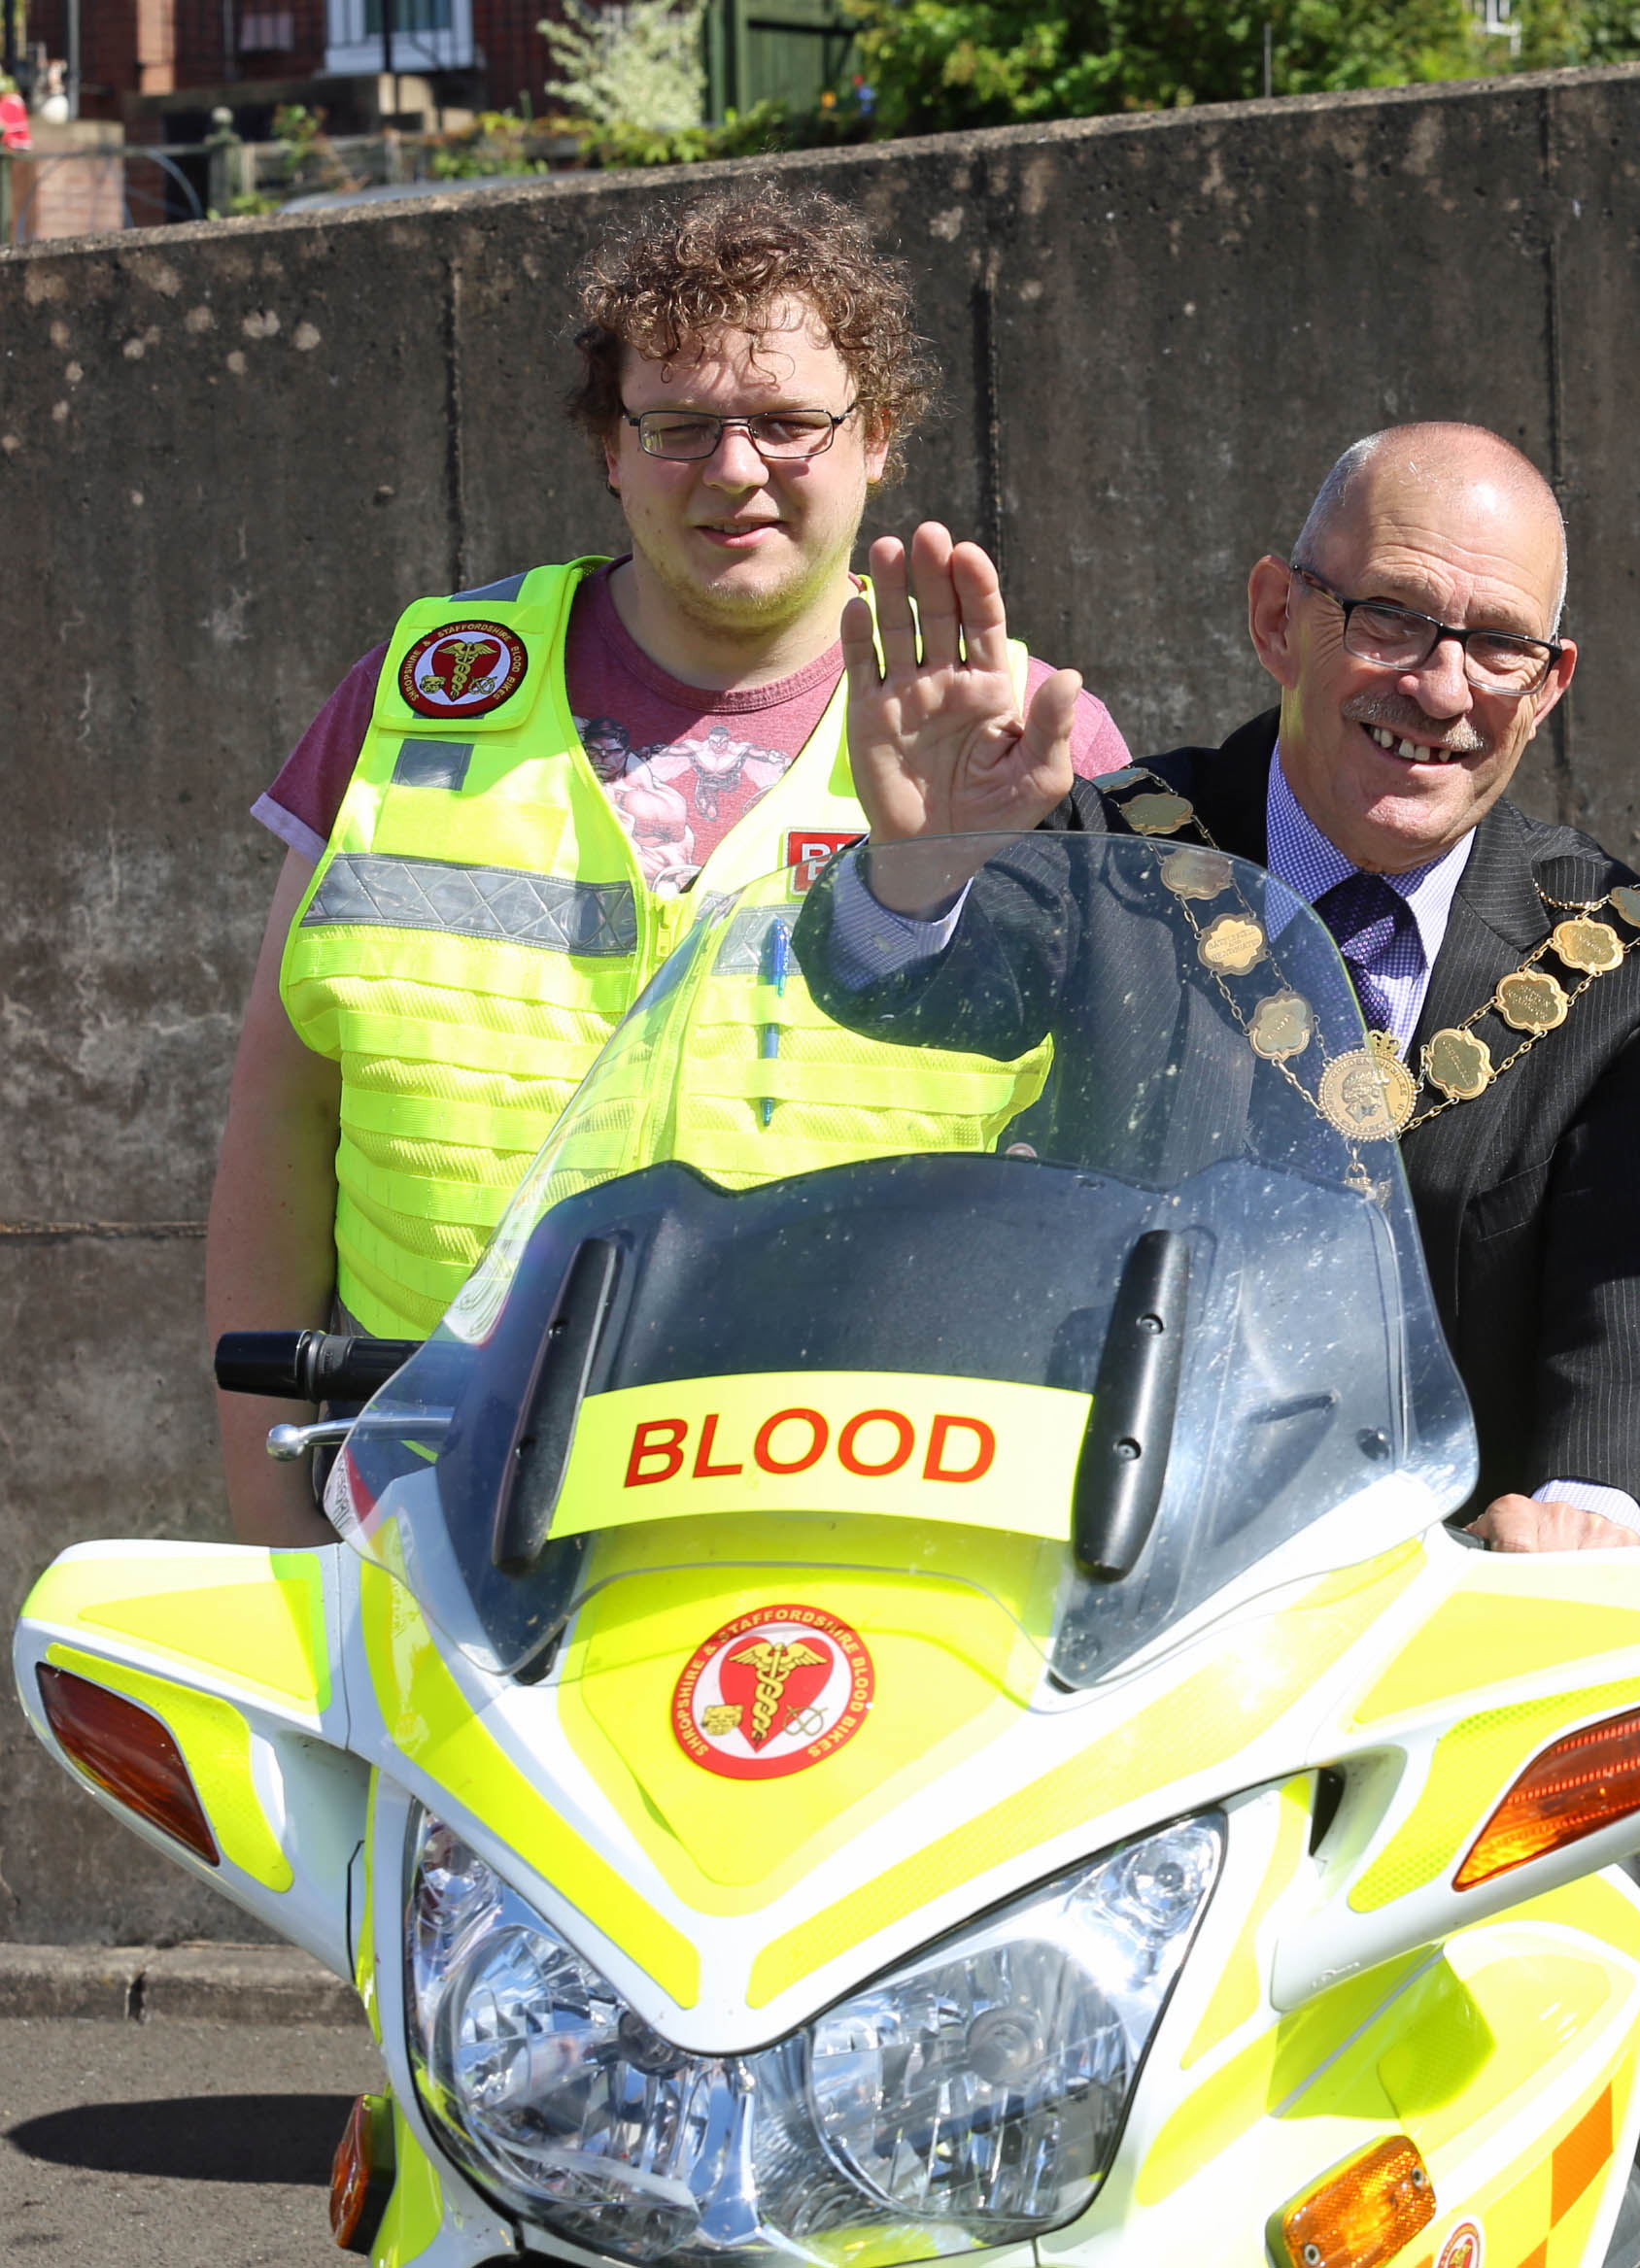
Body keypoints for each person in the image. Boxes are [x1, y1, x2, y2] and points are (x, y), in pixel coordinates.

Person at [799, 424, 1640, 2239]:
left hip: (1450, 1669)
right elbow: (895, 988)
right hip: (1110, 1661)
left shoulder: (1623, 966)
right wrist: (919, 869)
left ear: (1551, 688)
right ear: (1277, 616)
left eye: (1498, 648)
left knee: (1634, 2019)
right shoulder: (1111, 848)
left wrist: (1595, 1519)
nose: (1441, 689)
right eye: (1391, 618)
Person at [204, 181, 1129, 1548]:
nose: (735, 468)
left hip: (855, 1496)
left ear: (877, 437)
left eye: (789, 423)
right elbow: (280, 1118)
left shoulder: (1023, 744)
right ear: (612, 452)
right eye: (681, 427)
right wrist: (272, 1534)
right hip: (428, 1491)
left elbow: (1124, 1164)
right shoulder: (422, 694)